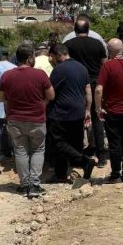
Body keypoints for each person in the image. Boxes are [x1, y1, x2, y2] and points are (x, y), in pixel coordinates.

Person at [0, 43, 54, 198]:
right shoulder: (40, 74)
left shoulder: (7, 75)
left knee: (20, 151)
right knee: (37, 150)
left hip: (15, 119)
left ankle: (24, 185)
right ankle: (34, 185)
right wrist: (41, 102)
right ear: (30, 57)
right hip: (37, 119)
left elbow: (1, 97)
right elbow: (51, 95)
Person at [48, 44, 95, 181]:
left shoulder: (58, 70)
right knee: (71, 143)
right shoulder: (82, 68)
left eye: (52, 57)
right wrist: (87, 110)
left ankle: (83, 162)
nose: (52, 60)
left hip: (61, 111)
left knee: (57, 143)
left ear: (58, 54)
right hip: (78, 111)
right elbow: (88, 91)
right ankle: (61, 173)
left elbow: (51, 92)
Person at [96, 38, 123, 183]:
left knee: (115, 143)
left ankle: (115, 174)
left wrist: (98, 108)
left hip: (113, 111)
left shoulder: (108, 66)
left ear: (109, 52)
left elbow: (98, 89)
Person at [66, 18, 108, 165]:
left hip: (77, 85)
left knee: (77, 120)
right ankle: (101, 156)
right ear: (88, 29)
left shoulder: (69, 45)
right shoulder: (98, 44)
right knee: (97, 120)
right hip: (96, 83)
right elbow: (104, 64)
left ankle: (78, 155)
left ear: (75, 29)